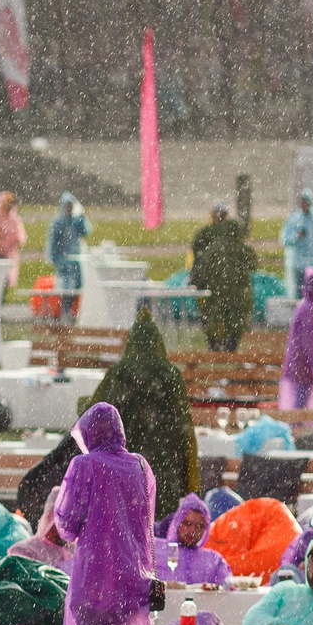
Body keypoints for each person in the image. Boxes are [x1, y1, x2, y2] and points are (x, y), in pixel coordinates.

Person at [54, 402, 158, 625]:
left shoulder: (84, 466)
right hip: (131, 584)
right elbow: (146, 526)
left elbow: (67, 524)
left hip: (94, 586)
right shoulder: (141, 467)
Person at [85, 307, 196, 516]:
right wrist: (189, 480)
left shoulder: (119, 373)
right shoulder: (171, 376)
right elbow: (185, 430)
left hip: (125, 470)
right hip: (165, 472)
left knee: (126, 524)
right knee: (157, 533)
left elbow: (96, 414)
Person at [189, 204, 255, 351]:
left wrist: (198, 282)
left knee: (213, 318)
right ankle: (230, 347)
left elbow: (199, 271)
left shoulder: (207, 244)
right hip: (237, 295)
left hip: (213, 294)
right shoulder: (238, 245)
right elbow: (252, 263)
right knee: (235, 320)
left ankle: (216, 348)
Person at [278, 268, 313, 410]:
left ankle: (297, 426)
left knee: (300, 401)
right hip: (303, 366)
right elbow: (310, 341)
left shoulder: (307, 305)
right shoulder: (310, 309)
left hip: (299, 363)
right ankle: (297, 428)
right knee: (300, 404)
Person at [156, 494, 233, 588]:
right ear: (177, 522)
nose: (192, 531)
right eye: (187, 523)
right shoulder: (154, 549)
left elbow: (228, 587)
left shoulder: (214, 560)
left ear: (206, 529)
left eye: (199, 526)